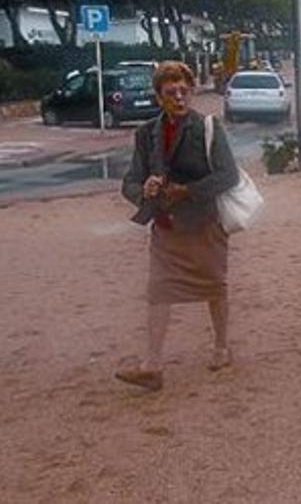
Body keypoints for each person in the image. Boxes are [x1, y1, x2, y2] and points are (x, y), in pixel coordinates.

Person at [116, 61, 240, 390]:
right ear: (159, 97)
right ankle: (152, 364)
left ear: (192, 92)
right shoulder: (145, 134)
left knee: (214, 284)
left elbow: (229, 176)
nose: (180, 97)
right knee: (158, 290)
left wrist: (188, 190)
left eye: (185, 90)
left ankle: (221, 347)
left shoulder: (208, 127)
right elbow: (130, 181)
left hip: (204, 223)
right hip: (165, 224)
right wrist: (144, 191)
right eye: (171, 92)